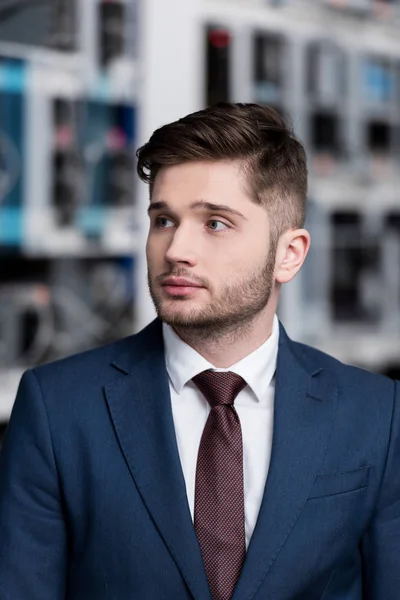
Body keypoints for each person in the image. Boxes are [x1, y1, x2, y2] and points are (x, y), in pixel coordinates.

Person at [0, 103, 399, 600]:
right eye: (163, 220)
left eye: (215, 223)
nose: (175, 250)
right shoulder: (56, 409)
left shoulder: (377, 416)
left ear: (289, 254)